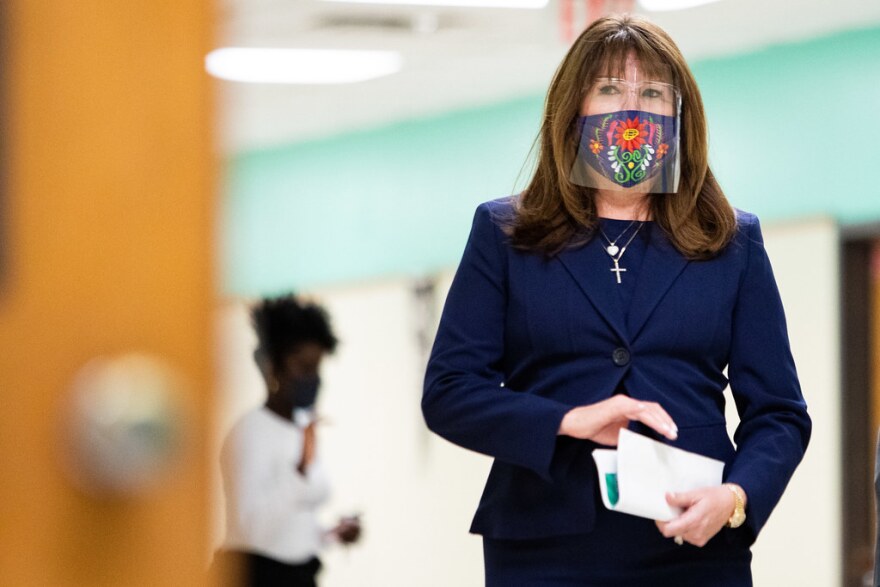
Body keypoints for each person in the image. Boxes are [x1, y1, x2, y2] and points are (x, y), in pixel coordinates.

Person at [422, 14, 810, 587]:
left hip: (691, 541)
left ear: (680, 116)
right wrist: (570, 420)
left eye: (653, 93)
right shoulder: (506, 233)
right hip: (544, 545)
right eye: (609, 89)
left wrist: (736, 496)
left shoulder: (732, 240)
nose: (632, 111)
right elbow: (450, 393)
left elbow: (779, 412)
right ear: (573, 110)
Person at [216, 294, 360, 587]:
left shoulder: (299, 429)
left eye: (317, 368)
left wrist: (331, 534)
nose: (313, 379)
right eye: (303, 367)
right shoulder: (250, 433)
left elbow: (291, 527)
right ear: (274, 368)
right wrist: (300, 471)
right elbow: (252, 531)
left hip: (299, 576)